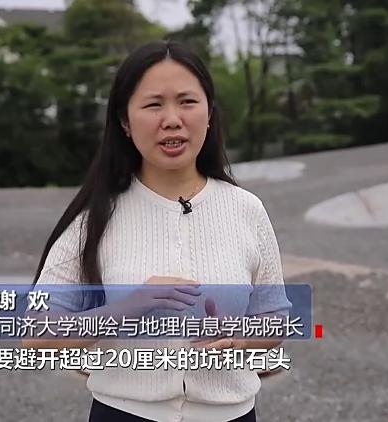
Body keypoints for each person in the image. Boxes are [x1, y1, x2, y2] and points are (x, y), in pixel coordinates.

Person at [25, 40, 292, 422]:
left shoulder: (246, 210)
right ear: (124, 121)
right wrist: (127, 308)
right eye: (153, 105)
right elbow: (37, 333)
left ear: (209, 114)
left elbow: (275, 317)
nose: (172, 119)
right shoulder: (94, 216)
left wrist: (239, 338)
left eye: (187, 102)